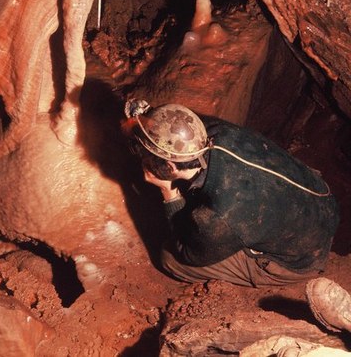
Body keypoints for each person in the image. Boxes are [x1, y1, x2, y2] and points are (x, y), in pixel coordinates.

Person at [122, 99, 340, 287]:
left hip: (302, 259)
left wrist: (168, 192)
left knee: (170, 259)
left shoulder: (223, 214)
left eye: (146, 157)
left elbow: (187, 251)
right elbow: (175, 123)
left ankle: (268, 267)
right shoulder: (215, 131)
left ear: (170, 168)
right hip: (322, 198)